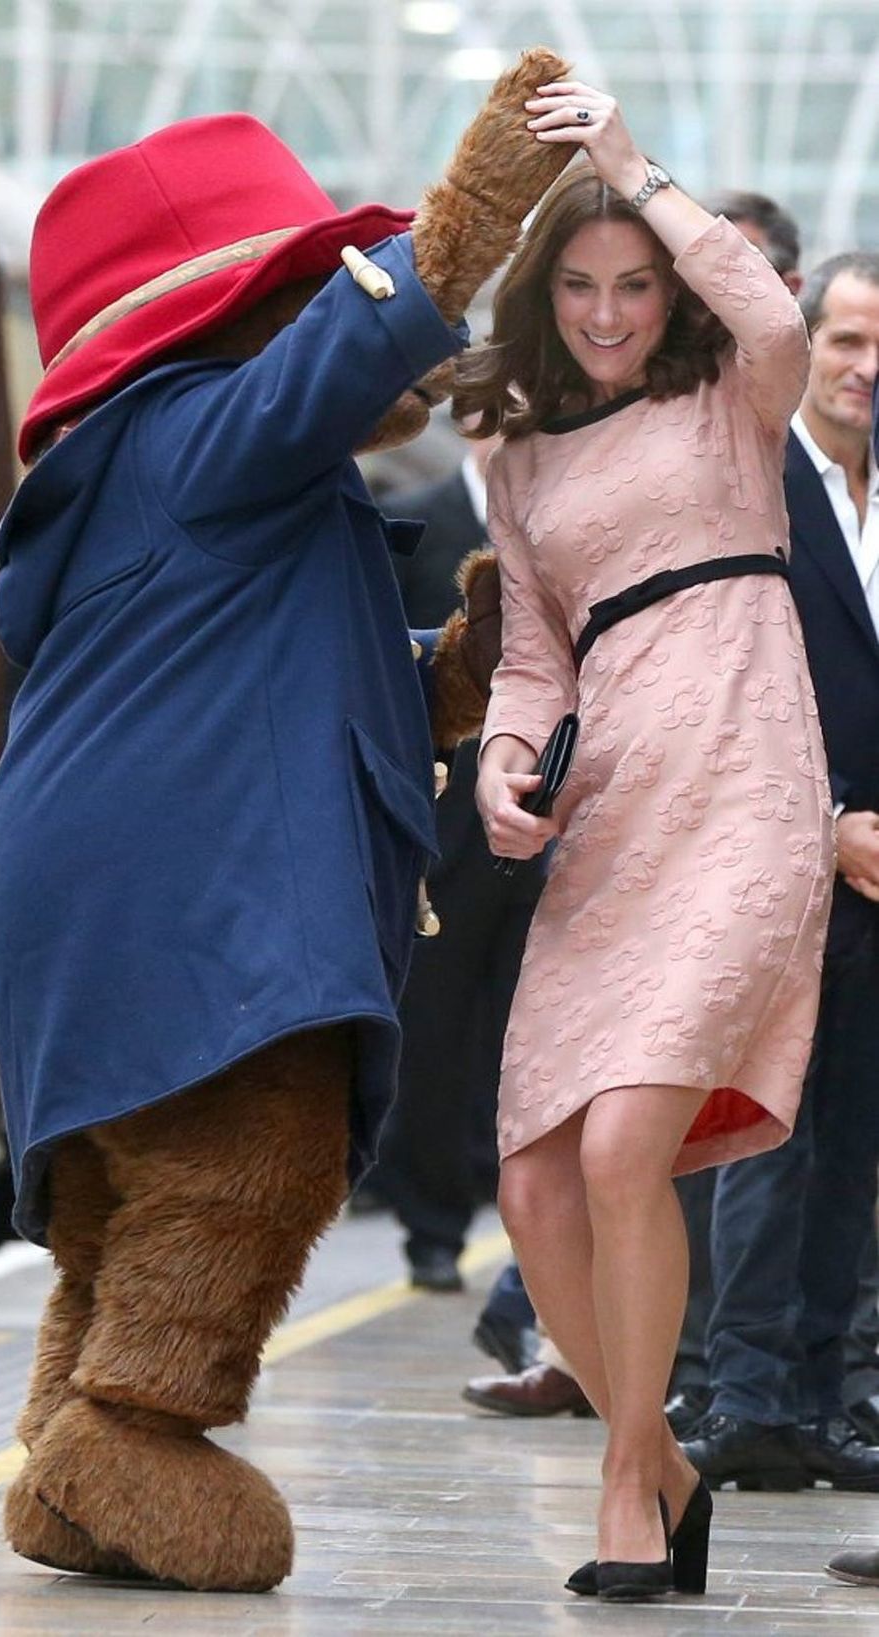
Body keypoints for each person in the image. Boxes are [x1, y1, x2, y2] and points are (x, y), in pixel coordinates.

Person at [0, 52, 578, 1592]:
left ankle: (68, 1447)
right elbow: (340, 354)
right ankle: (136, 1431)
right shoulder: (195, 430)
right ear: (218, 314)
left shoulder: (194, 486)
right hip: (188, 897)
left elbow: (316, 680)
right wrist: (481, 204)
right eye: (296, 285)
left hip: (116, 891)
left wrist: (460, 666)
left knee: (136, 1199)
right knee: (259, 1152)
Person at [456, 76, 832, 1602]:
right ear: (545, 297)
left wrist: (631, 169)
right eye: (582, 288)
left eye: (634, 286)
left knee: (627, 1146)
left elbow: (777, 320)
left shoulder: (735, 398)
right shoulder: (524, 454)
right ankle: (666, 1471)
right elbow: (537, 655)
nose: (611, 315)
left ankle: (629, 1473)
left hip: (747, 779)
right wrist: (495, 764)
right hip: (610, 807)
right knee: (536, 1179)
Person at [680, 250, 879, 1493]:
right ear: (801, 343)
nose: (867, 370)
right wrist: (831, 821)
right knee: (766, 1130)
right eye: (848, 340)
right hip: (780, 858)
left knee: (854, 1141)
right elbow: (722, 687)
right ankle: (744, 1390)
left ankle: (822, 1399)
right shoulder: (750, 486)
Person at [367, 433, 547, 1293]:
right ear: (475, 425)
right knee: (432, 1028)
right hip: (444, 822)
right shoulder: (423, 520)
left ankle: (533, 1230)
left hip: (551, 822)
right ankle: (432, 1225)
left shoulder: (574, 524)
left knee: (537, 1034)